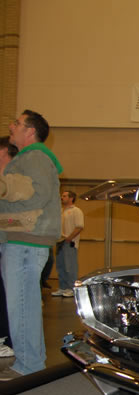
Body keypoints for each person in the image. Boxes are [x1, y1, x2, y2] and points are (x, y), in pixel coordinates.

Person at [0, 110, 62, 379]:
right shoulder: (30, 158)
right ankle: (30, 363)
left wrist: (5, 186)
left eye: (17, 123)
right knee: (24, 303)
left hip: (25, 240)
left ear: (30, 132)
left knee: (21, 303)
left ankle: (29, 366)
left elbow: (37, 194)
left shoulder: (35, 157)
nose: (11, 127)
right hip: (23, 240)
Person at [0, 136, 19, 359]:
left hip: (10, 243)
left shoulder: (13, 180)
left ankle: (5, 338)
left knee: (7, 293)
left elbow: (17, 217)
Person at [52, 191, 84, 297]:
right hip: (59, 241)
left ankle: (71, 288)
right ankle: (63, 287)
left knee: (70, 266)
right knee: (60, 266)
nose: (62, 197)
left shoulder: (76, 211)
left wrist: (69, 238)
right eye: (62, 196)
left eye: (64, 196)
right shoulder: (61, 211)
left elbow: (79, 226)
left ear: (71, 198)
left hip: (69, 242)